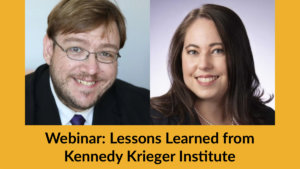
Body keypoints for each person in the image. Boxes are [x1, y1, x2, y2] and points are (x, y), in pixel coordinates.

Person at [26, 0, 150, 125]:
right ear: (49, 50)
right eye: (76, 49)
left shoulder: (146, 109)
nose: (92, 70)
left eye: (105, 53)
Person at [151, 4, 275, 125]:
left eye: (217, 51)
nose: (204, 64)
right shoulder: (153, 119)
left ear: (239, 55)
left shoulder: (269, 120)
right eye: (193, 51)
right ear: (179, 58)